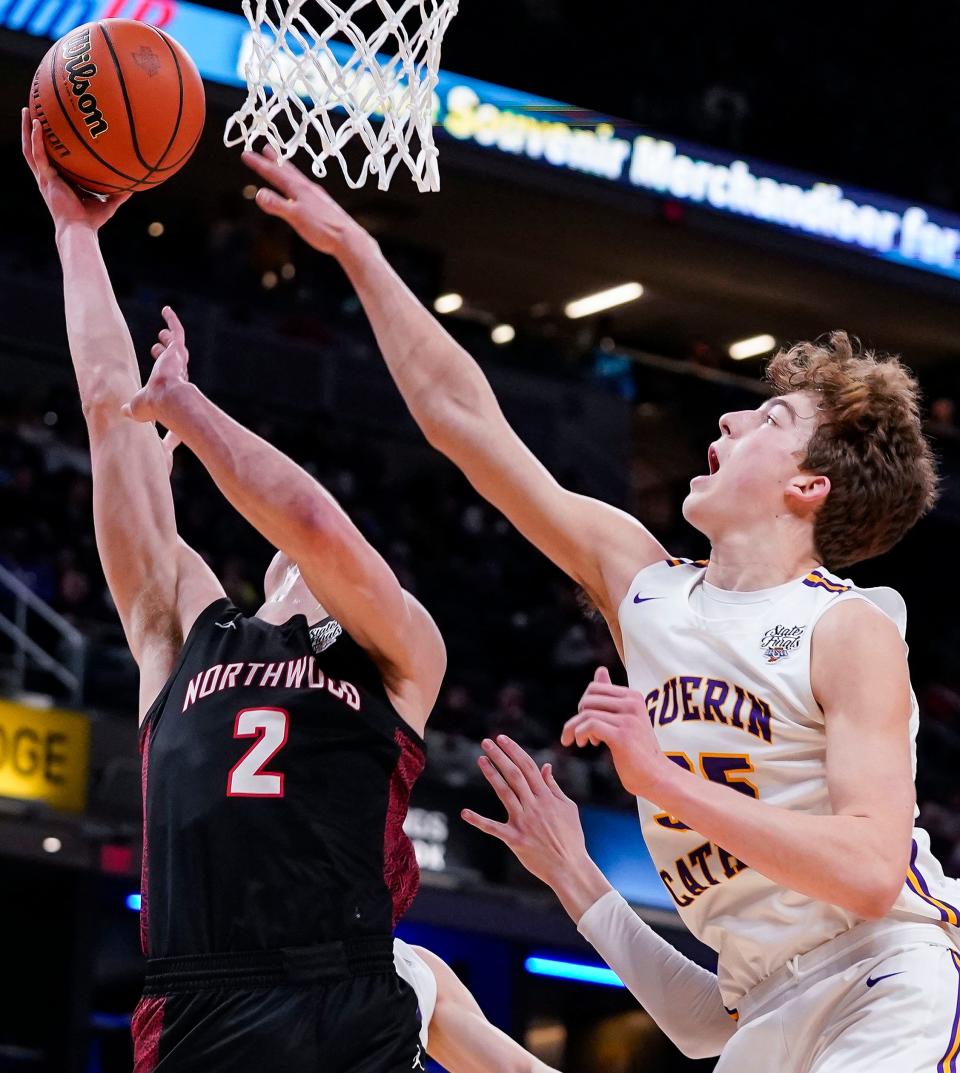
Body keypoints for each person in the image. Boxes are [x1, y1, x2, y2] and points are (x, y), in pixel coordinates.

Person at [243, 145, 960, 1072]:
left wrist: (660, 780)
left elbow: (867, 873)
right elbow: (468, 424)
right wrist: (359, 253)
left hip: (890, 976)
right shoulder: (645, 583)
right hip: (767, 1011)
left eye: (770, 420)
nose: (731, 422)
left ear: (810, 486)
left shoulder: (848, 629)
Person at [23, 111, 446, 1073]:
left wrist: (192, 410)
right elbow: (107, 414)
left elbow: (317, 526)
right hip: (200, 1000)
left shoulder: (398, 654)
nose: (313, 554)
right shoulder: (184, 632)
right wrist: (77, 236)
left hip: (341, 992)